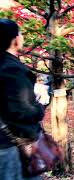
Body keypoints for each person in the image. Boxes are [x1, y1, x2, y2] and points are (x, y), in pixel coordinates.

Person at [0, 19, 45, 179]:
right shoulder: (11, 68)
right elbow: (23, 111)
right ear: (15, 40)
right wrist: (40, 106)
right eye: (20, 34)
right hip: (9, 145)